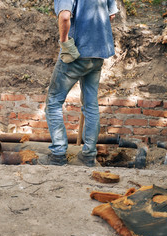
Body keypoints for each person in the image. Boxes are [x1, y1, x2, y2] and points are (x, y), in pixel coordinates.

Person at [45, 0, 118, 166]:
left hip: (76, 52)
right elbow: (111, 15)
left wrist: (64, 43)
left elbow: (64, 17)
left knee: (53, 102)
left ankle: (58, 154)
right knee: (90, 105)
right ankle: (88, 156)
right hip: (98, 52)